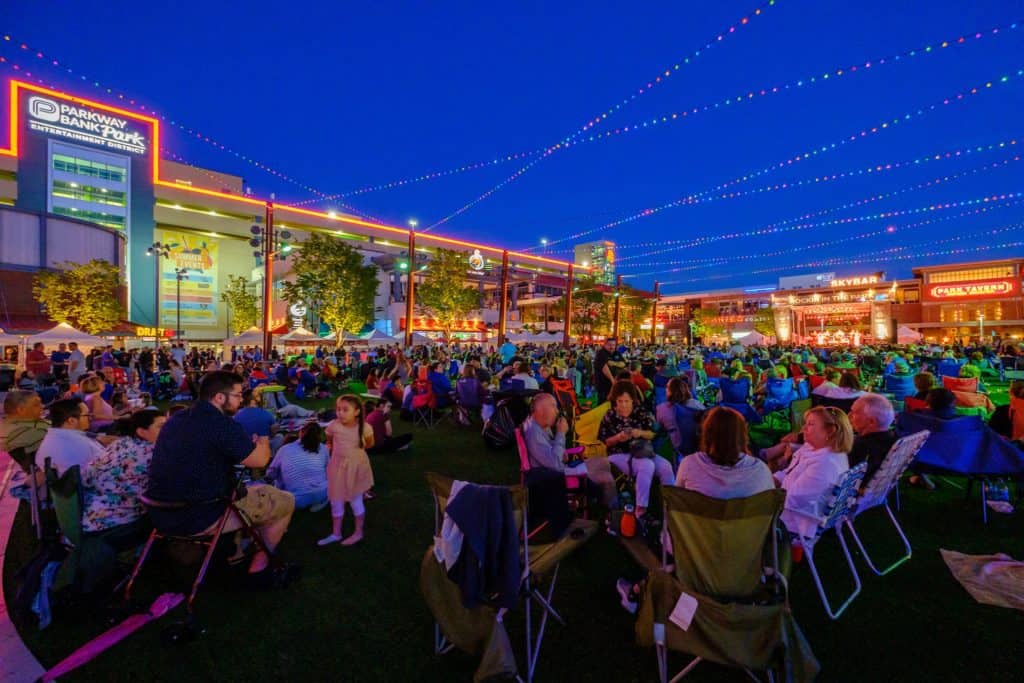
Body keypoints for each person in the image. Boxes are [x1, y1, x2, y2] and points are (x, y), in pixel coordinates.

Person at [147, 371, 295, 579]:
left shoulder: (176, 419)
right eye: (237, 394)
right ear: (219, 397)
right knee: (284, 500)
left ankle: (235, 552)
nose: (241, 399)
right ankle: (260, 566)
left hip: (160, 511)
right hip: (200, 515)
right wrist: (262, 441)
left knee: (247, 491)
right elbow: (260, 461)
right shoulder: (221, 424)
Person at [79, 409, 166, 533]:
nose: (168, 430)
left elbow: (86, 477)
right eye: (161, 427)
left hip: (85, 518)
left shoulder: (120, 443)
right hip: (115, 525)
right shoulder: (154, 453)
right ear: (141, 431)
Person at [598, 381, 674, 517]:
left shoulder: (640, 412)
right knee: (647, 465)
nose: (623, 405)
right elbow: (606, 442)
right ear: (615, 400)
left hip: (643, 451)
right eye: (619, 401)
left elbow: (653, 434)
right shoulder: (610, 416)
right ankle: (640, 510)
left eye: (627, 401)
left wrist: (640, 433)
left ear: (633, 400)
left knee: (666, 467)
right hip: (618, 454)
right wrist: (617, 438)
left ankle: (671, 507)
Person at [774, 406, 852, 538]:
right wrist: (770, 479)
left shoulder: (824, 464)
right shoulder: (814, 449)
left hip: (795, 522)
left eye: (810, 424)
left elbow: (794, 501)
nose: (803, 428)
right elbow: (789, 473)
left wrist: (762, 494)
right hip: (793, 508)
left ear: (830, 431)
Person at [521, 393, 614, 500]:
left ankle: (608, 506)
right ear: (541, 410)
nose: (557, 411)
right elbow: (555, 463)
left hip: (561, 469)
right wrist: (561, 433)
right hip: (558, 476)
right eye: (553, 406)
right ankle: (615, 511)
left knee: (604, 462)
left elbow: (551, 451)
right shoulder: (533, 433)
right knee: (606, 477)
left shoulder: (539, 426)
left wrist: (562, 452)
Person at [319, 395, 375, 546]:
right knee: (336, 500)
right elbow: (329, 440)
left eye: (345, 410)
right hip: (337, 467)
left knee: (355, 500)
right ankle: (336, 533)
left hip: (357, 468)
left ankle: (358, 532)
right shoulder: (333, 426)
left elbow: (369, 444)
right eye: (338, 409)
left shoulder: (365, 428)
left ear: (356, 412)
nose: (340, 413)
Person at [266, 422, 329, 510]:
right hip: (322, 492)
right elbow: (328, 471)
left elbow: (271, 473)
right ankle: (319, 501)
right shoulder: (324, 448)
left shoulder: (285, 449)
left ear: (301, 432)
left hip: (295, 500)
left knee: (279, 476)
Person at [35, 398, 105, 476]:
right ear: (71, 420)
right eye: (87, 415)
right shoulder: (77, 443)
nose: (90, 418)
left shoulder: (53, 437)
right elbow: (105, 465)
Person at [847, 394, 898, 487]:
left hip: (851, 492)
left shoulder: (860, 447)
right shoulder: (895, 441)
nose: (849, 416)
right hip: (878, 488)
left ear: (871, 422)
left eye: (854, 413)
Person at [655, 377, 703, 458]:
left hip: (674, 448)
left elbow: (660, 426)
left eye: (667, 387)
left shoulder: (661, 408)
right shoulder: (696, 405)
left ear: (669, 391)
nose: (665, 389)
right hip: (696, 445)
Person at [0, 390, 48, 469]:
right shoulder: (20, 432)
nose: (42, 406)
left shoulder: (20, 422)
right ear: (21, 410)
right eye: (36, 405)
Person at [234, 389, 284, 454]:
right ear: (253, 401)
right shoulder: (266, 413)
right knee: (279, 437)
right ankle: (272, 455)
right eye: (258, 396)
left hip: (245, 447)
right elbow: (273, 431)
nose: (261, 398)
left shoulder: (237, 414)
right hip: (263, 447)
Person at [593, 337, 622, 403]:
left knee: (613, 404)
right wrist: (612, 380)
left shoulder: (616, 353)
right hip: (603, 385)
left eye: (613, 345)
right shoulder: (601, 353)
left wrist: (613, 363)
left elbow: (623, 363)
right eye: (609, 345)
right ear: (605, 345)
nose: (611, 347)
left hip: (614, 385)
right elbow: (604, 367)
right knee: (603, 404)